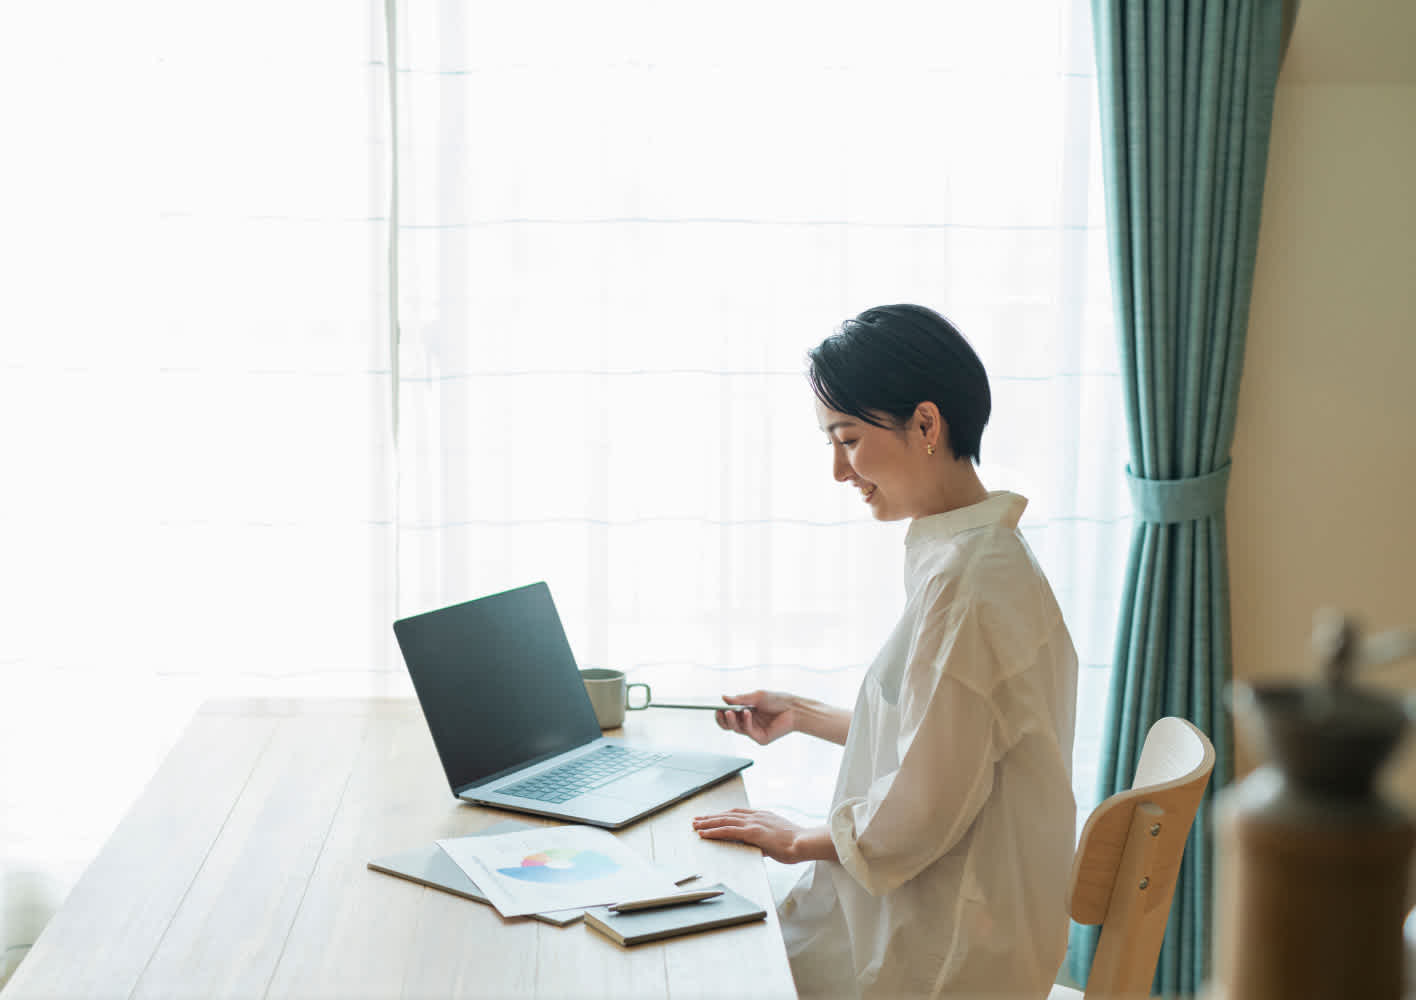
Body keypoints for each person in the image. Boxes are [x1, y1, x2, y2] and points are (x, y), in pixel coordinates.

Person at [692, 304, 1078, 999]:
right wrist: (803, 713)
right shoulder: (982, 553)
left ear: (926, 425)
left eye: (848, 439)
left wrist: (798, 838)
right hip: (976, 913)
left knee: (704, 959)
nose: (839, 470)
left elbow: (921, 808)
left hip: (952, 946)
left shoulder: (969, 583)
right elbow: (941, 734)